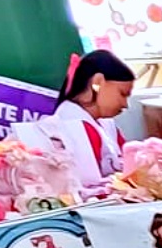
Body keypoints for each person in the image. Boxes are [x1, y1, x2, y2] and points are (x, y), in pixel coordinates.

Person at [52, 50, 136, 187]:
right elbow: (88, 183)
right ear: (97, 83)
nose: (125, 104)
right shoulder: (73, 124)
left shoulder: (106, 123)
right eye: (122, 94)